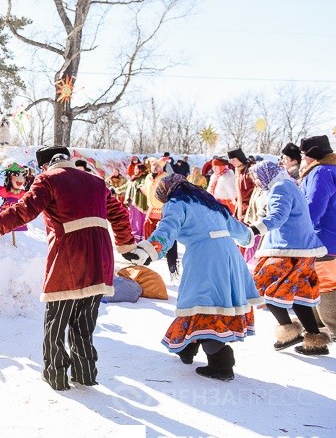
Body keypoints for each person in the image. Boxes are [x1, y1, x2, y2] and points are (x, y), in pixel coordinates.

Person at [0, 145, 136, 390]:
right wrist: (126, 245)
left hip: (69, 255)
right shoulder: (96, 181)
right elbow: (119, 214)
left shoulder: (48, 179)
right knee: (85, 320)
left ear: (44, 165)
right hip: (99, 256)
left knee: (57, 319)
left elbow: (24, 210)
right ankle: (85, 373)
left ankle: (56, 376)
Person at [122, 174, 262, 381]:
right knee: (204, 302)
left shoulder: (176, 203)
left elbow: (167, 229)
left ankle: (221, 363)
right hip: (230, 254)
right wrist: (250, 235)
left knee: (203, 303)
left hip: (206, 257)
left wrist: (147, 250)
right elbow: (240, 231)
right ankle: (186, 348)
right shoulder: (208, 202)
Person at [248, 160, 329, 356]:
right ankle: (315, 340)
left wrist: (253, 230)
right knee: (299, 295)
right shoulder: (290, 184)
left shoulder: (280, 188)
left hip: (286, 249)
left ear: (267, 174)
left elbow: (278, 216)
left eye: (257, 178)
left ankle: (288, 331)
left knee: (264, 288)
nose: (257, 182)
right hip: (302, 249)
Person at [297, 135, 336, 344]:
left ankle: (330, 327)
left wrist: (301, 230)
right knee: (317, 281)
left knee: (325, 284)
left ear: (311, 155)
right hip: (331, 238)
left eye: (303, 155)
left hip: (323, 240)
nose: (302, 159)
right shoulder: (332, 169)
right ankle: (315, 325)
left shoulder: (321, 172)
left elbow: (313, 206)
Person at [0, 161, 29, 232]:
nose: (20, 179)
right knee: (5, 218)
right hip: (7, 208)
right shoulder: (7, 191)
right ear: (9, 178)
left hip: (16, 209)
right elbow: (1, 191)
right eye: (17, 175)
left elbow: (27, 195)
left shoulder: (20, 192)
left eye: (23, 176)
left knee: (14, 220)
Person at [228, 148, 256, 223]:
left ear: (239, 158)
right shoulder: (238, 171)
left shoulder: (251, 171)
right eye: (230, 160)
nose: (231, 162)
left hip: (250, 208)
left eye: (233, 159)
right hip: (240, 207)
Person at [124, 162, 150, 241]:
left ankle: (140, 239)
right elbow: (125, 187)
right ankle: (135, 238)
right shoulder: (132, 179)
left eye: (136, 169)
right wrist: (115, 190)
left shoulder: (145, 178)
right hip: (132, 203)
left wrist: (141, 186)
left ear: (141, 170)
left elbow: (144, 185)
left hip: (140, 203)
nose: (135, 170)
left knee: (139, 221)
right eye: (134, 169)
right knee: (133, 220)